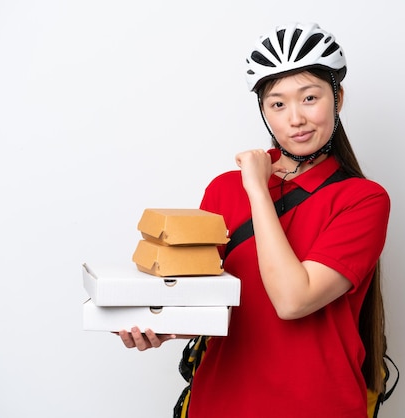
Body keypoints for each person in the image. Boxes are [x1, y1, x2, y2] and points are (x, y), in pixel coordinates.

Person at [118, 22, 391, 418]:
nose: (295, 118)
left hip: (319, 406)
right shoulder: (225, 190)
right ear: (264, 111)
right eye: (277, 104)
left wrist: (258, 191)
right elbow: (208, 303)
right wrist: (161, 327)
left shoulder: (363, 199)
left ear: (338, 98)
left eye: (310, 97)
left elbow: (293, 301)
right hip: (220, 403)